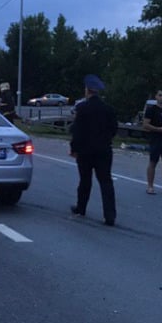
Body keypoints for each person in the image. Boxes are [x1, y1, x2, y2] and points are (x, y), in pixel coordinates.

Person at [69, 75, 118, 226]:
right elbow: (114, 129)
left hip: (85, 151)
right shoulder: (109, 109)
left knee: (85, 180)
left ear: (87, 91)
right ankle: (109, 215)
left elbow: (77, 131)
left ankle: (81, 207)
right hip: (104, 150)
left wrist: (74, 148)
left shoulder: (82, 108)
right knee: (106, 181)